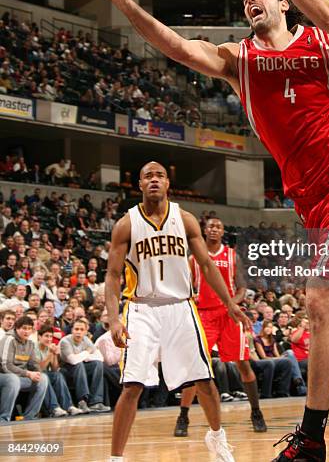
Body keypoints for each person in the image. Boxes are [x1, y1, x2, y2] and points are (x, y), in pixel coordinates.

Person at [83, 0, 329, 460]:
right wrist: (123, 1)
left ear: (283, 3)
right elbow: (176, 45)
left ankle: (311, 438)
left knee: (321, 297)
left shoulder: (325, 46)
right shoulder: (238, 60)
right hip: (310, 203)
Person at [105, 161, 249, 462]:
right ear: (140, 185)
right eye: (148, 176)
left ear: (168, 184)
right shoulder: (126, 224)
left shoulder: (184, 219)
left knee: (204, 380)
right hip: (141, 308)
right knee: (132, 386)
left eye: (160, 176)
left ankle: (216, 437)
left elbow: (207, 265)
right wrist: (114, 318)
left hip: (181, 307)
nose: (154, 180)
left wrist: (229, 303)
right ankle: (115, 458)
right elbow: (113, 275)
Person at [174, 216, 267, 437]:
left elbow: (243, 288)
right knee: (196, 367)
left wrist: (231, 304)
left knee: (243, 364)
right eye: (211, 226)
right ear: (204, 231)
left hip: (229, 315)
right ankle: (183, 416)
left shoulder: (232, 256)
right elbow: (184, 286)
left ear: (223, 231)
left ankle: (256, 412)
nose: (214, 229)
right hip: (204, 315)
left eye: (218, 226)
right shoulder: (193, 258)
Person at [0, 316, 48, 421]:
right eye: (23, 328)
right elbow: (6, 366)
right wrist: (28, 374)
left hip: (19, 377)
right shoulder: (9, 339)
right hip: (3, 376)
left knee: (43, 378)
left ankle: (30, 416)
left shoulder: (30, 343)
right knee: (12, 379)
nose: (26, 331)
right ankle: (3, 418)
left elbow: (33, 364)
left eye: (29, 329)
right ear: (17, 328)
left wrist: (37, 373)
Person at [59, 318, 111, 414]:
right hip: (65, 370)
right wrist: (87, 352)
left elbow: (100, 358)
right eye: (76, 329)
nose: (78, 332)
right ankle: (82, 401)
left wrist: (83, 356)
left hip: (80, 369)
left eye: (82, 330)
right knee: (79, 365)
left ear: (86, 332)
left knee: (98, 364)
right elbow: (73, 361)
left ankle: (95, 402)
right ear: (72, 330)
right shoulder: (65, 341)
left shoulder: (86, 340)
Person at [36, 324, 82, 416]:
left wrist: (55, 355)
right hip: (36, 375)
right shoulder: (34, 347)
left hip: (46, 374)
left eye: (50, 336)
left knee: (58, 375)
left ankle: (69, 406)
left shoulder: (49, 347)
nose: (49, 339)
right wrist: (50, 354)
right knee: (44, 376)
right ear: (39, 337)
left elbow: (55, 369)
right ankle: (54, 408)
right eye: (46, 336)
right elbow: (39, 368)